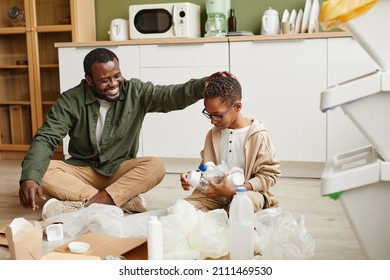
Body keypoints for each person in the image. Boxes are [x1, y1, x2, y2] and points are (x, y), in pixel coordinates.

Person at [18, 47, 232, 219]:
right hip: (83, 170)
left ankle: (87, 205)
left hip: (119, 169)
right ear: (89, 80)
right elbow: (46, 138)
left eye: (117, 75)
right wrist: (29, 178)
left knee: (156, 166)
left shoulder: (135, 91)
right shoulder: (70, 100)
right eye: (105, 80)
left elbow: (170, 95)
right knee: (41, 171)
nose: (114, 84)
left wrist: (200, 86)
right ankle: (120, 201)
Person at [179, 75, 281, 212]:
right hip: (213, 195)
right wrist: (193, 176)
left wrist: (234, 190)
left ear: (237, 107)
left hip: (246, 193)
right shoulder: (213, 134)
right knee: (181, 209)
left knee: (240, 208)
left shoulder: (258, 136)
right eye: (209, 114)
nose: (212, 121)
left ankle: (228, 215)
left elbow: (269, 176)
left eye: (217, 115)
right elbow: (210, 169)